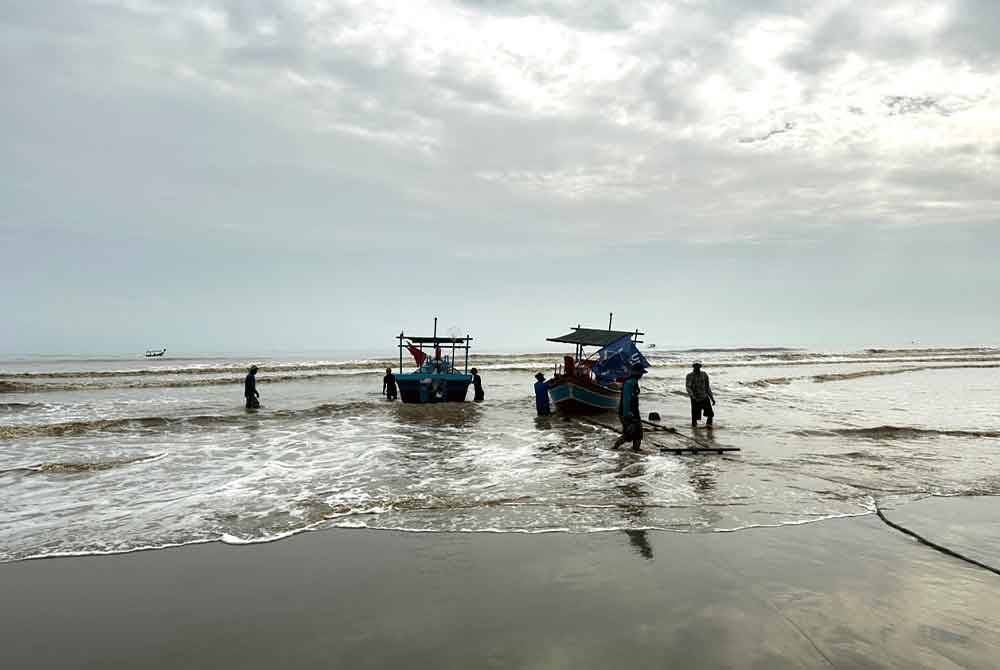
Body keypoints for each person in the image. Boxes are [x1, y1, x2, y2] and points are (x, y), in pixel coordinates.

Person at [613, 365, 645, 451]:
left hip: (633, 411)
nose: (642, 375)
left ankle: (636, 449)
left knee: (637, 432)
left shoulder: (634, 381)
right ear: (637, 373)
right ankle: (614, 448)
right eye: (641, 373)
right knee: (630, 433)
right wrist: (627, 413)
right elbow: (626, 399)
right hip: (628, 412)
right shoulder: (629, 383)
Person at [685, 360, 715, 427]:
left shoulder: (704, 374)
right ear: (693, 366)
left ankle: (709, 426)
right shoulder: (689, 376)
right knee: (695, 416)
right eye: (695, 366)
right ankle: (694, 429)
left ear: (700, 366)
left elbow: (707, 387)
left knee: (710, 414)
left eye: (698, 366)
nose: (697, 367)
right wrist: (692, 396)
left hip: (704, 396)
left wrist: (712, 398)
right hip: (695, 398)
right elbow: (688, 387)